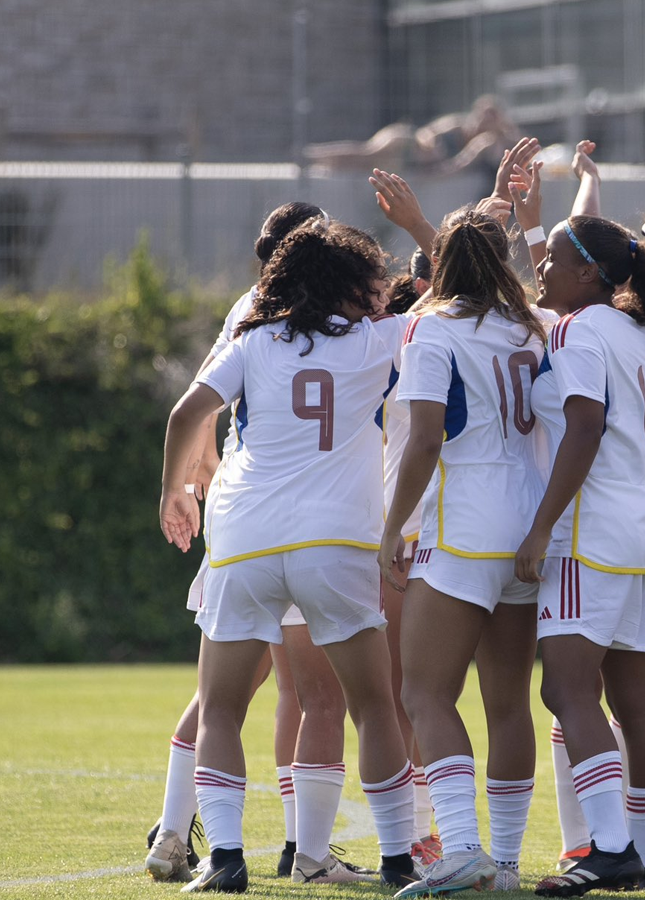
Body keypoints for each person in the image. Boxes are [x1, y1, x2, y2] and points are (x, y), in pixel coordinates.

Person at [159, 218, 418, 894]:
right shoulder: (377, 340)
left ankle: (224, 859)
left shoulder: (252, 340)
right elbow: (449, 288)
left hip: (245, 537)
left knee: (220, 709)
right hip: (335, 540)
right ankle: (397, 860)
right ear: (347, 283)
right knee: (373, 707)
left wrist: (171, 492)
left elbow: (187, 413)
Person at [511, 213, 645, 896]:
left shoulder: (582, 329)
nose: (543, 268)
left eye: (553, 256)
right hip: (644, 532)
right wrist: (535, 220)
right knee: (636, 702)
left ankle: (610, 847)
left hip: (593, 536)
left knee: (565, 687)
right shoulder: (637, 330)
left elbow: (584, 427)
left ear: (589, 271)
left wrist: (539, 528)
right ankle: (642, 858)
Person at [377, 207, 549, 897]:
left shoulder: (431, 326)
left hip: (463, 524)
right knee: (508, 703)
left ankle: (465, 847)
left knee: (423, 691)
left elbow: (422, 439)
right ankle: (503, 864)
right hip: (528, 518)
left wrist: (392, 528)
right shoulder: (528, 327)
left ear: (439, 263)